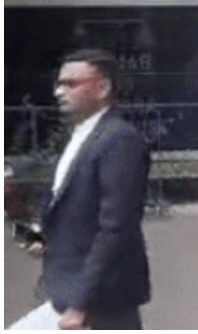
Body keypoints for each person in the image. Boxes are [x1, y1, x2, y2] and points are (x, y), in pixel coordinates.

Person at [39, 49, 150, 329]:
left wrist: (81, 303)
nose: (58, 92)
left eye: (70, 84)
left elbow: (116, 228)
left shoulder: (119, 140)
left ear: (102, 88)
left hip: (103, 302)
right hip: (67, 292)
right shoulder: (80, 136)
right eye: (58, 84)